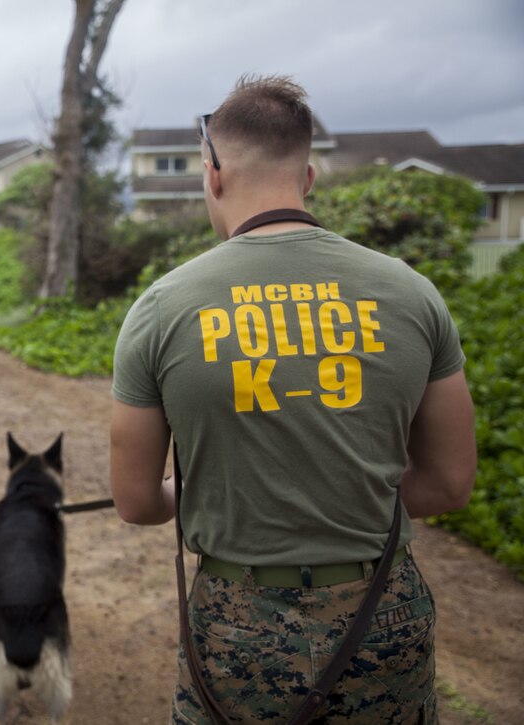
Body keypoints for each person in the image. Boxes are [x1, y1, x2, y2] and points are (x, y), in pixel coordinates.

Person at [109, 75, 476, 723]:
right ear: (307, 177)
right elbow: (448, 481)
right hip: (381, 612)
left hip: (237, 625)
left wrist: (217, 495)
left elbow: (138, 500)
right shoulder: (412, 294)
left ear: (212, 173)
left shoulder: (162, 308)